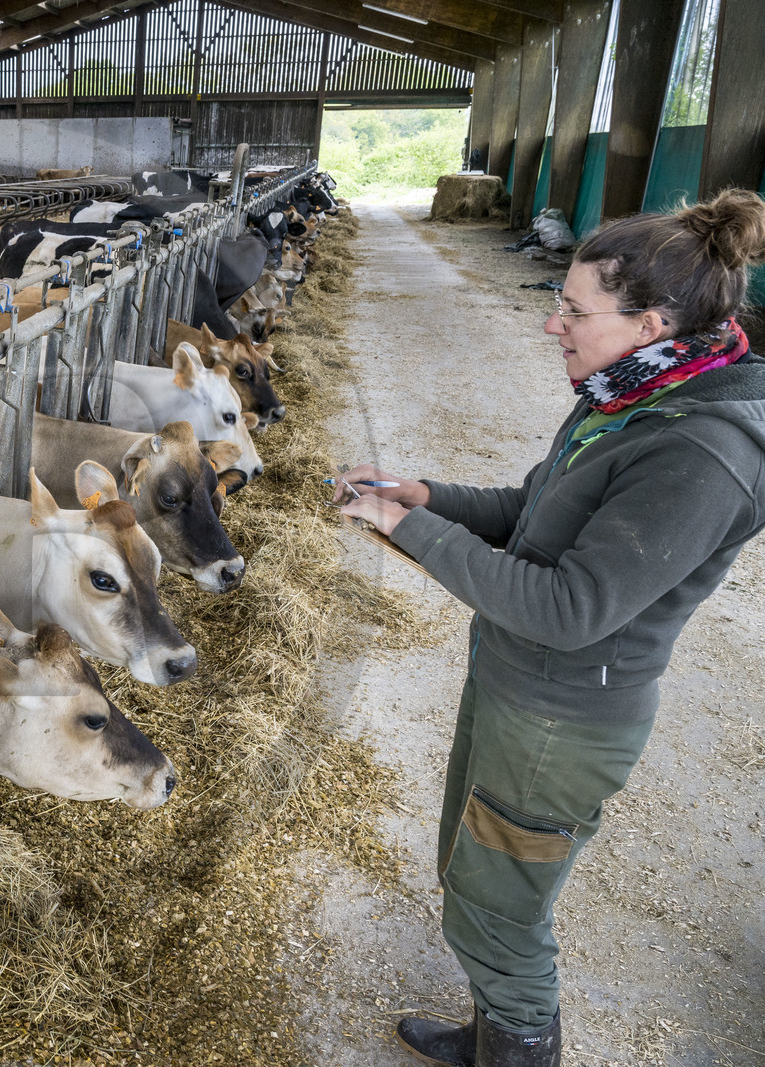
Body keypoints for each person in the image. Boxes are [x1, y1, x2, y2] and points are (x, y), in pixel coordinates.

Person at [336, 188, 765, 1067]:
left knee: (497, 909)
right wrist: (425, 497)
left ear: (648, 324)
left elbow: (569, 609)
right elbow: (532, 506)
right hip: (515, 686)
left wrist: (410, 531)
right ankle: (496, 1033)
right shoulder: (631, 392)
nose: (552, 324)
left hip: (558, 723)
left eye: (573, 310)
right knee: (473, 871)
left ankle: (520, 1047)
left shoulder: (699, 449)